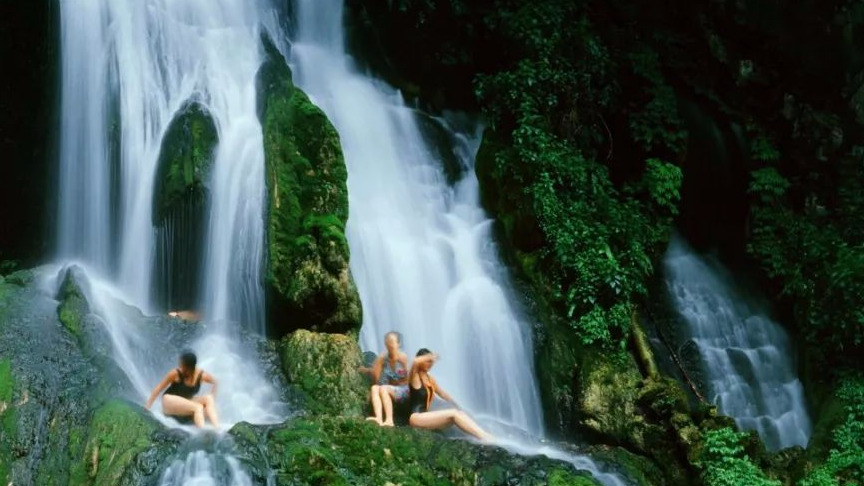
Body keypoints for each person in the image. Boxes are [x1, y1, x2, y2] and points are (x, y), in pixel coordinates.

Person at [407, 348, 492, 441]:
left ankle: (480, 436)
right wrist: (430, 356)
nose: (431, 364)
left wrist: (458, 405)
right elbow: (415, 361)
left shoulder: (429, 378)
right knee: (454, 414)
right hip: (416, 418)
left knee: (458, 413)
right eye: (428, 361)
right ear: (421, 361)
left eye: (431, 362)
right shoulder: (414, 377)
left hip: (425, 417)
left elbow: (443, 394)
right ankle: (485, 437)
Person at [145, 350, 220, 428]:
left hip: (185, 409)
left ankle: (217, 428)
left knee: (208, 398)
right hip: (170, 404)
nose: (180, 366)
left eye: (182, 365)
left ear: (189, 367)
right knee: (198, 407)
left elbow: (215, 382)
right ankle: (202, 432)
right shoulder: (175, 373)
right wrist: (148, 406)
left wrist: (211, 402)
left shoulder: (201, 375)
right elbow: (159, 387)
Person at [360, 331, 409, 426]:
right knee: (374, 388)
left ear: (398, 344)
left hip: (402, 389)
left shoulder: (402, 358)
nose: (389, 344)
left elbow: (405, 379)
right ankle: (378, 418)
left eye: (392, 342)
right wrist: (368, 371)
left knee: (383, 388)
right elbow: (376, 375)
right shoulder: (383, 357)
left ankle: (389, 420)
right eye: (387, 341)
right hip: (388, 386)